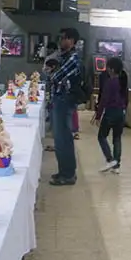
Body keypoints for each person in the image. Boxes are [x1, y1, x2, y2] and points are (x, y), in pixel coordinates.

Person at [47, 28, 81, 186]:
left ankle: (68, 174)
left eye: (63, 38)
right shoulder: (65, 57)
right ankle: (64, 172)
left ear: (71, 40)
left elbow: (54, 76)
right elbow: (50, 74)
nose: (60, 41)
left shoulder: (73, 58)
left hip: (64, 101)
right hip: (59, 100)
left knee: (63, 139)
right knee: (60, 139)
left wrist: (53, 71)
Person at [93, 57, 129, 174]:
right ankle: (117, 166)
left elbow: (104, 100)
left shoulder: (110, 82)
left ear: (112, 69)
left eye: (108, 68)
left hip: (110, 112)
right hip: (121, 113)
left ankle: (110, 159)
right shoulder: (123, 82)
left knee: (101, 136)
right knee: (117, 139)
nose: (107, 70)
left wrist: (98, 116)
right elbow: (127, 99)